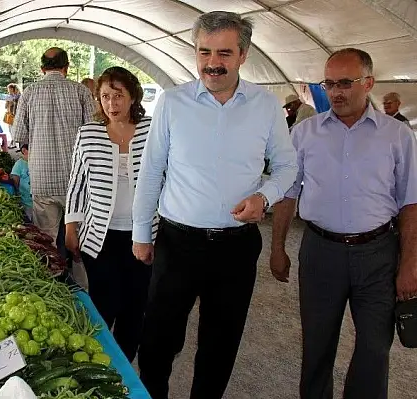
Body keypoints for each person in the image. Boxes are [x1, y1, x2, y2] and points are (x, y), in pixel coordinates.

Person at [131, 11, 298, 399]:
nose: (212, 63)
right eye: (204, 52)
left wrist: (264, 197)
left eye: (224, 53)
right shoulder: (173, 103)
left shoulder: (265, 105)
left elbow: (288, 166)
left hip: (236, 248)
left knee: (220, 344)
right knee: (158, 339)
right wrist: (142, 234)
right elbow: (151, 171)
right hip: (177, 243)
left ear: (243, 54)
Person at [270, 48, 417, 399]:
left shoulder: (397, 136)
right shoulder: (305, 133)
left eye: (345, 83)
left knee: (375, 348)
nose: (336, 91)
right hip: (321, 252)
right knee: (317, 345)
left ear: (368, 83)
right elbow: (287, 193)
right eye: (330, 83)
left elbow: (411, 202)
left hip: (379, 254)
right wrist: (276, 248)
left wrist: (410, 263)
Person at [65, 66, 154, 362]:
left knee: (136, 307)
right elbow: (77, 182)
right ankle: (101, 362)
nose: (111, 104)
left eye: (118, 96)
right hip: (99, 238)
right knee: (104, 303)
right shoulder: (88, 133)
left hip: (144, 237)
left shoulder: (152, 130)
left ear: (132, 98)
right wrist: (70, 227)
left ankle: (124, 366)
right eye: (105, 96)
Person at [11, 47, 96, 243]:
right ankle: (79, 272)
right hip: (76, 180)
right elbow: (95, 132)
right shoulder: (80, 91)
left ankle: (52, 272)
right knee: (81, 238)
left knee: (46, 240)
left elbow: (19, 135)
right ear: (66, 67)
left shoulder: (29, 92)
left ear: (42, 69)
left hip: (42, 180)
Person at [11, 144, 33, 221]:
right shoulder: (19, 164)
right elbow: (15, 181)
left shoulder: (37, 163)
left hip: (39, 201)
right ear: (24, 151)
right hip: (26, 202)